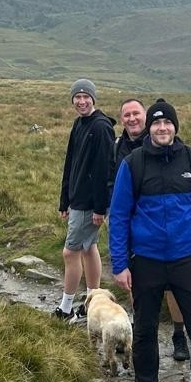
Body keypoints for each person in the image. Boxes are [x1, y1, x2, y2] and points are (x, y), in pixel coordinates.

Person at [110, 99, 191, 382]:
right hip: (145, 261)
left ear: (175, 127)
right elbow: (119, 216)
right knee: (144, 331)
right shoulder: (133, 164)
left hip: (185, 260)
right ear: (149, 127)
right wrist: (120, 264)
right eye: (157, 124)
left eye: (168, 123)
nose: (163, 128)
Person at [115, 98, 189, 361]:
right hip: (135, 232)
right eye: (127, 115)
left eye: (136, 114)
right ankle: (141, 338)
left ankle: (179, 335)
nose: (132, 119)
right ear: (122, 119)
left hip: (168, 238)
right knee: (137, 287)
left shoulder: (166, 144)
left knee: (172, 290)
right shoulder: (119, 146)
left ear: (145, 118)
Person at [56, 79, 116, 321]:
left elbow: (105, 169)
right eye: (77, 97)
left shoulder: (101, 127)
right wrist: (64, 200)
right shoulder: (80, 123)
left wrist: (100, 207)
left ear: (93, 98)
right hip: (78, 199)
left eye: (85, 97)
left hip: (90, 202)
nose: (81, 101)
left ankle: (66, 308)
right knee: (88, 248)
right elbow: (71, 163)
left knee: (70, 253)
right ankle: (92, 301)